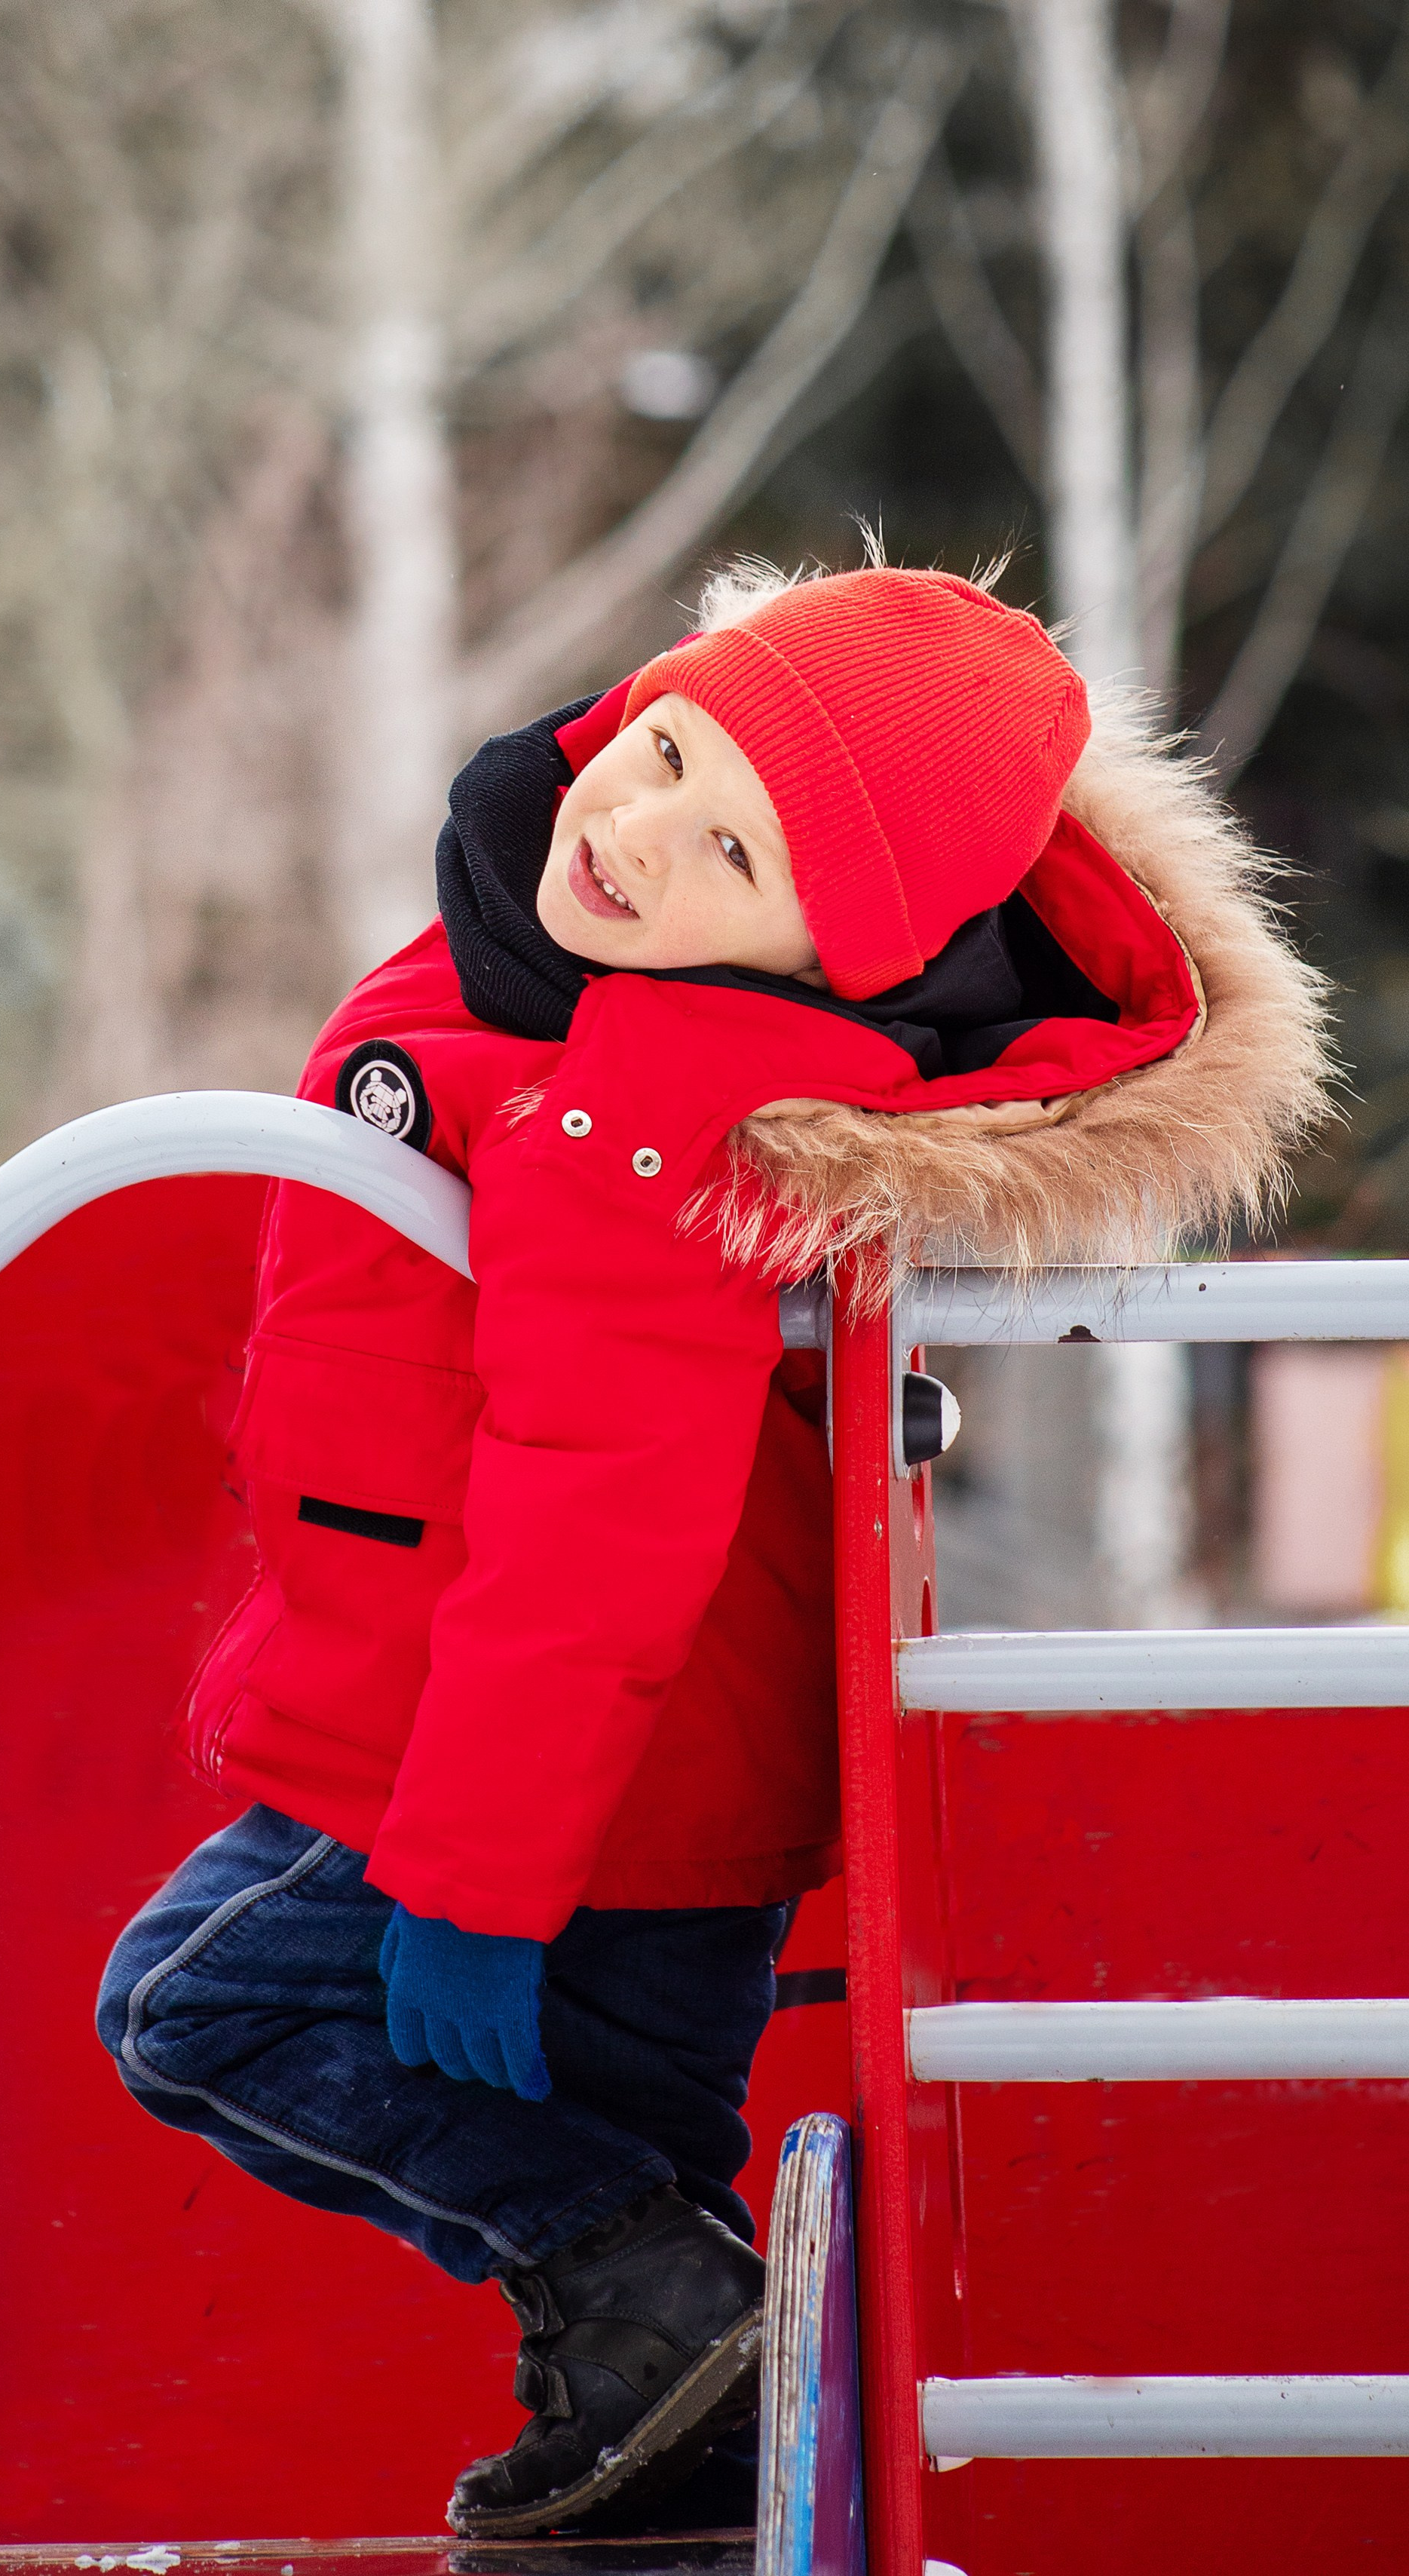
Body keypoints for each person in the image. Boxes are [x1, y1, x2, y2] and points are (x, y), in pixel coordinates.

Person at [96, 557, 1329, 2537]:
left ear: (823, 966)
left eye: (732, 848)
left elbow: (600, 1513)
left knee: (198, 2005)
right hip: (647, 1767)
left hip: (544, 1766)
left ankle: (663, 2328)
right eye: (667, 748)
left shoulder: (657, 1108)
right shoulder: (574, 969)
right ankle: (665, 2450)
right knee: (649, 2167)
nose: (638, 829)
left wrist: (478, 1884)